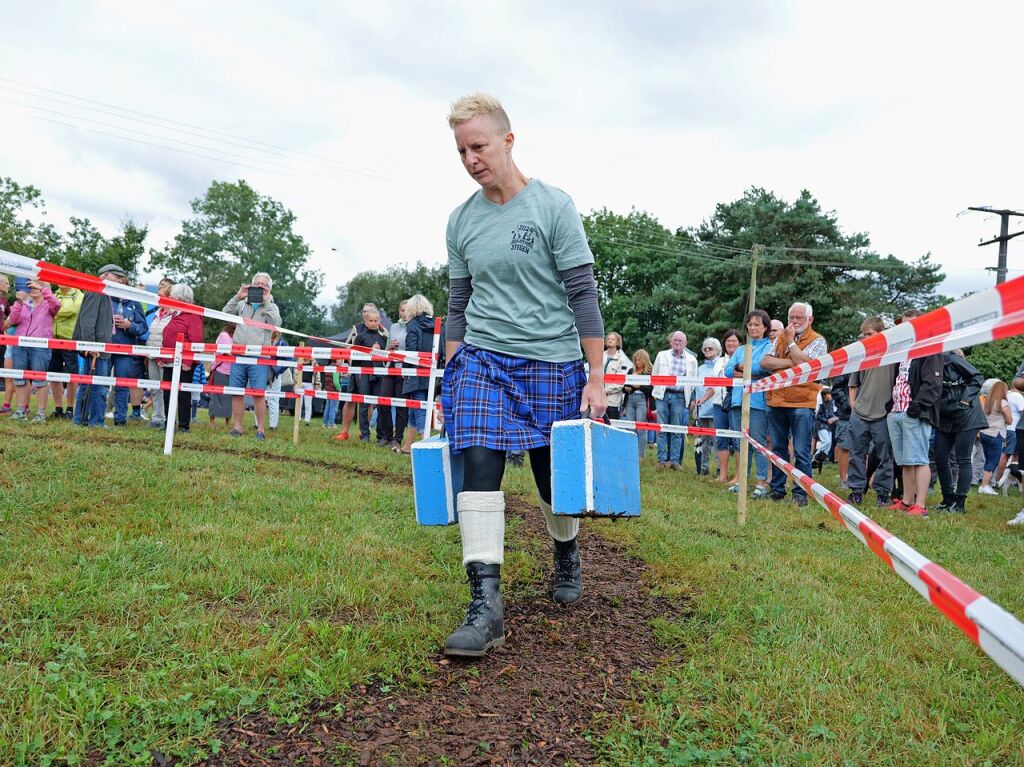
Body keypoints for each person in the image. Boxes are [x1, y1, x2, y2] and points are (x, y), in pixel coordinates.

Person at [440, 93, 606, 658]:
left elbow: (583, 293)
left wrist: (596, 375)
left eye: (479, 146)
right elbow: (459, 301)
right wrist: (452, 363)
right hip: (483, 357)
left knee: (549, 482)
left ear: (508, 141)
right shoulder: (461, 221)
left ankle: (565, 550)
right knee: (479, 465)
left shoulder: (554, 208)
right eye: (462, 149)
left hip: (552, 361)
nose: (470, 158)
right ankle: (485, 605)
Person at [760, 302, 829, 506]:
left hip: (801, 403)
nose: (794, 321)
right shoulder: (780, 337)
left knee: (801, 451)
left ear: (810, 320)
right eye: (791, 317)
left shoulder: (818, 340)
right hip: (777, 400)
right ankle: (777, 490)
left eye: (799, 317)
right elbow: (765, 362)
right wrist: (794, 363)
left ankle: (801, 493)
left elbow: (810, 367)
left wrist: (791, 345)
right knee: (778, 449)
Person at [885, 314, 942, 516]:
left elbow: (933, 384)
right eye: (903, 324)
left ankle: (921, 504)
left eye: (911, 323)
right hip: (896, 411)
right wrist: (891, 405)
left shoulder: (929, 347)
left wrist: (918, 405)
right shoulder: (901, 350)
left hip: (915, 412)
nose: (906, 327)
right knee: (905, 460)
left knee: (919, 458)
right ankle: (907, 501)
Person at [843, 317, 896, 507]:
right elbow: (852, 383)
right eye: (864, 335)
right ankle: (856, 490)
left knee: (885, 455)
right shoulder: (861, 355)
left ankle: (883, 492)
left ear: (881, 333)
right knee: (856, 453)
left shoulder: (893, 353)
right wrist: (853, 405)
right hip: (860, 413)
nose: (866, 338)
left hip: (883, 412)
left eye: (870, 334)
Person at [223, 272, 281, 440]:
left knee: (258, 394)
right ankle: (238, 426)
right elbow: (224, 313)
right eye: (257, 283)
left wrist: (267, 302)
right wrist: (237, 296)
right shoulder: (242, 304)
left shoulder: (272, 306)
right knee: (236, 392)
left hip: (259, 356)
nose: (260, 286)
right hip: (239, 354)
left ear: (269, 289)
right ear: (251, 285)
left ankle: (261, 429)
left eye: (264, 284)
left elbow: (277, 324)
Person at [723, 311, 773, 497]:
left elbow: (761, 367)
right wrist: (742, 369)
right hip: (738, 400)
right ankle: (742, 480)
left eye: (756, 324)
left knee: (758, 443)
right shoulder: (741, 349)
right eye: (750, 324)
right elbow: (728, 371)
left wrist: (744, 368)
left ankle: (761, 483)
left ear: (765, 327)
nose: (752, 327)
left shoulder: (769, 346)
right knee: (740, 443)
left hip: (758, 402)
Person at [934, 350, 987, 513]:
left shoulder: (951, 358)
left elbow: (977, 376)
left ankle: (960, 502)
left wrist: (965, 400)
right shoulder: (929, 361)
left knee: (962, 458)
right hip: (946, 415)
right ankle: (948, 498)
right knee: (940, 457)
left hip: (967, 415)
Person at [72, 265, 120, 427]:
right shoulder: (96, 290)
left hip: (100, 348)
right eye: (117, 276)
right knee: (96, 387)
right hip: (96, 349)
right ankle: (94, 421)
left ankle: (83, 420)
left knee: (91, 385)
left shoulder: (102, 291)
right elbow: (87, 322)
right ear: (105, 275)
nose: (119, 280)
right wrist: (91, 346)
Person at [8, 279, 60, 422]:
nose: (33, 288)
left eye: (37, 286)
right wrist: (18, 303)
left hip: (40, 346)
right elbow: (13, 319)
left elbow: (57, 304)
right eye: (31, 286)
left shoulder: (49, 305)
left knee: (40, 380)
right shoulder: (23, 303)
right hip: (19, 345)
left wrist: (43, 288)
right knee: (19, 379)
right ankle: (20, 411)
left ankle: (40, 413)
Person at [157, 284, 204, 432]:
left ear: (180, 298)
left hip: (184, 362)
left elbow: (196, 341)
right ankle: (168, 422)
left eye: (172, 296)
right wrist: (162, 357)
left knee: (183, 394)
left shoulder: (193, 316)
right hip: (169, 360)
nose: (169, 298)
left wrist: (189, 361)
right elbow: (167, 337)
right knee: (167, 393)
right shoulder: (173, 314)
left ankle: (184, 425)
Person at [651, 331, 697, 470]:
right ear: (671, 342)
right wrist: (658, 390)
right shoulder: (661, 355)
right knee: (661, 428)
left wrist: (687, 394)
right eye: (675, 340)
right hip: (663, 395)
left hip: (680, 396)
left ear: (685, 343)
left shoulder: (692, 359)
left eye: (680, 341)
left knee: (677, 430)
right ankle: (661, 460)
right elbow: (655, 374)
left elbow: (694, 380)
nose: (677, 343)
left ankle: (675, 461)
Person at [107, 274, 149, 425]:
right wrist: (109, 321)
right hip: (105, 346)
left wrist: (128, 325)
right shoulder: (106, 300)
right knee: (101, 382)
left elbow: (143, 328)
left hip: (125, 349)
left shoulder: (134, 303)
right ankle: (96, 417)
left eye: (121, 284)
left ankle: (120, 419)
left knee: (122, 384)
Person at [398, 294, 436, 454]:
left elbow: (411, 351)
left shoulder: (412, 325)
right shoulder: (435, 324)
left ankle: (426, 449)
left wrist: (405, 370)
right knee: (415, 409)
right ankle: (407, 447)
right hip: (432, 373)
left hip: (416, 373)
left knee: (419, 410)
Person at [337, 303, 380, 440]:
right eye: (364, 312)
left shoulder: (382, 332)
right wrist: (344, 361)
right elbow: (347, 346)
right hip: (355, 370)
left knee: (368, 402)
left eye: (368, 311)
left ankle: (364, 432)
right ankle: (344, 431)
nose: (366, 314)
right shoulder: (356, 329)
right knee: (349, 399)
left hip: (371, 372)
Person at [350, 309, 390, 442]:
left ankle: (380, 436)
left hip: (379, 373)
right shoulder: (360, 337)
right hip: (363, 373)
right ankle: (365, 434)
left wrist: (385, 351)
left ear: (380, 321)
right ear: (365, 322)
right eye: (370, 321)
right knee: (363, 405)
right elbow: (354, 357)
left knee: (380, 404)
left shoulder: (384, 338)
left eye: (376, 320)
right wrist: (369, 352)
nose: (373, 323)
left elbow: (386, 358)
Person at [47, 282, 84, 421]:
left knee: (71, 376)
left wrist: (55, 311)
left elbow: (72, 310)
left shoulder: (78, 294)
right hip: (53, 339)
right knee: (53, 375)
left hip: (70, 340)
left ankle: (70, 409)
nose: (60, 282)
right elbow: (47, 310)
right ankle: (58, 408)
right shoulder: (56, 293)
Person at [378, 300, 410, 448]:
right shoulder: (394, 327)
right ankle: (387, 436)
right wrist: (389, 347)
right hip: (391, 368)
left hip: (405, 370)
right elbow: (386, 350)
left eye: (406, 310)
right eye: (401, 310)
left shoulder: (414, 327)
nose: (403, 313)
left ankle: (398, 438)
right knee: (383, 401)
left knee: (401, 406)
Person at [144, 279, 175, 429]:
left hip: (165, 358)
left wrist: (165, 356)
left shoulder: (174, 315)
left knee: (167, 390)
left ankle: (168, 419)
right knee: (155, 389)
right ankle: (157, 417)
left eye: (162, 296)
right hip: (152, 356)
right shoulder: (156, 313)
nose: (159, 299)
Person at [693, 337, 724, 476]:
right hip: (702, 409)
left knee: (717, 441)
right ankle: (703, 468)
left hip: (716, 408)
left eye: (710, 348)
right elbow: (696, 388)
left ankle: (719, 469)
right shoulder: (700, 368)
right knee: (704, 441)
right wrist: (695, 404)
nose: (707, 350)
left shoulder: (722, 364)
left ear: (718, 349)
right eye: (705, 348)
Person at [715, 329, 742, 483]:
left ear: (740, 343)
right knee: (721, 439)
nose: (731, 343)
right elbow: (711, 384)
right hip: (718, 404)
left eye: (734, 341)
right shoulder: (719, 361)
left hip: (736, 403)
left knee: (737, 440)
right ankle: (723, 475)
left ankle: (738, 476)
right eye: (728, 341)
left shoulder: (743, 359)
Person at [977, 380, 1011, 495]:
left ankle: (987, 483)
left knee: (987, 459)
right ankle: (984, 486)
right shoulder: (1002, 402)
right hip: (996, 434)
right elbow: (1009, 420)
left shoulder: (987, 401)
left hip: (984, 433)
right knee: (993, 461)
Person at [621, 349, 653, 461]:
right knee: (630, 427)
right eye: (635, 359)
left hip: (642, 400)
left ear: (645, 360)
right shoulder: (630, 371)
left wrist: (639, 386)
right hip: (630, 399)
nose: (637, 362)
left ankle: (640, 455)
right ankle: (631, 453)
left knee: (641, 428)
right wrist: (628, 388)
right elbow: (624, 387)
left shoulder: (649, 372)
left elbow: (651, 390)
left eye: (639, 359)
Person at [207, 324, 234, 427]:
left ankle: (228, 421)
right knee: (216, 396)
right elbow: (228, 352)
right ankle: (212, 421)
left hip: (231, 371)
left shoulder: (235, 338)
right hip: (221, 369)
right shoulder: (224, 335)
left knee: (229, 397)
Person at [602, 332, 633, 420]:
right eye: (608, 339)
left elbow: (620, 382)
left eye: (612, 339)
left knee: (611, 425)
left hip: (612, 401)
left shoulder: (622, 360)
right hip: (598, 398)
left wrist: (605, 391)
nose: (610, 340)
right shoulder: (600, 356)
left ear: (618, 342)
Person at [829, 373, 853, 488]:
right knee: (844, 446)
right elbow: (836, 389)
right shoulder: (847, 366)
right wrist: (847, 404)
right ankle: (843, 479)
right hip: (846, 414)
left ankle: (860, 478)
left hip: (865, 411)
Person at [812, 387, 837, 471]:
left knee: (829, 445)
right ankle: (815, 458)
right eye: (829, 394)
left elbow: (832, 414)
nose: (830, 395)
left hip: (829, 426)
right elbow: (817, 416)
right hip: (821, 425)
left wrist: (835, 418)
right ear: (824, 395)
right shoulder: (821, 404)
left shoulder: (832, 404)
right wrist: (826, 420)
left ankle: (820, 460)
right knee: (826, 441)